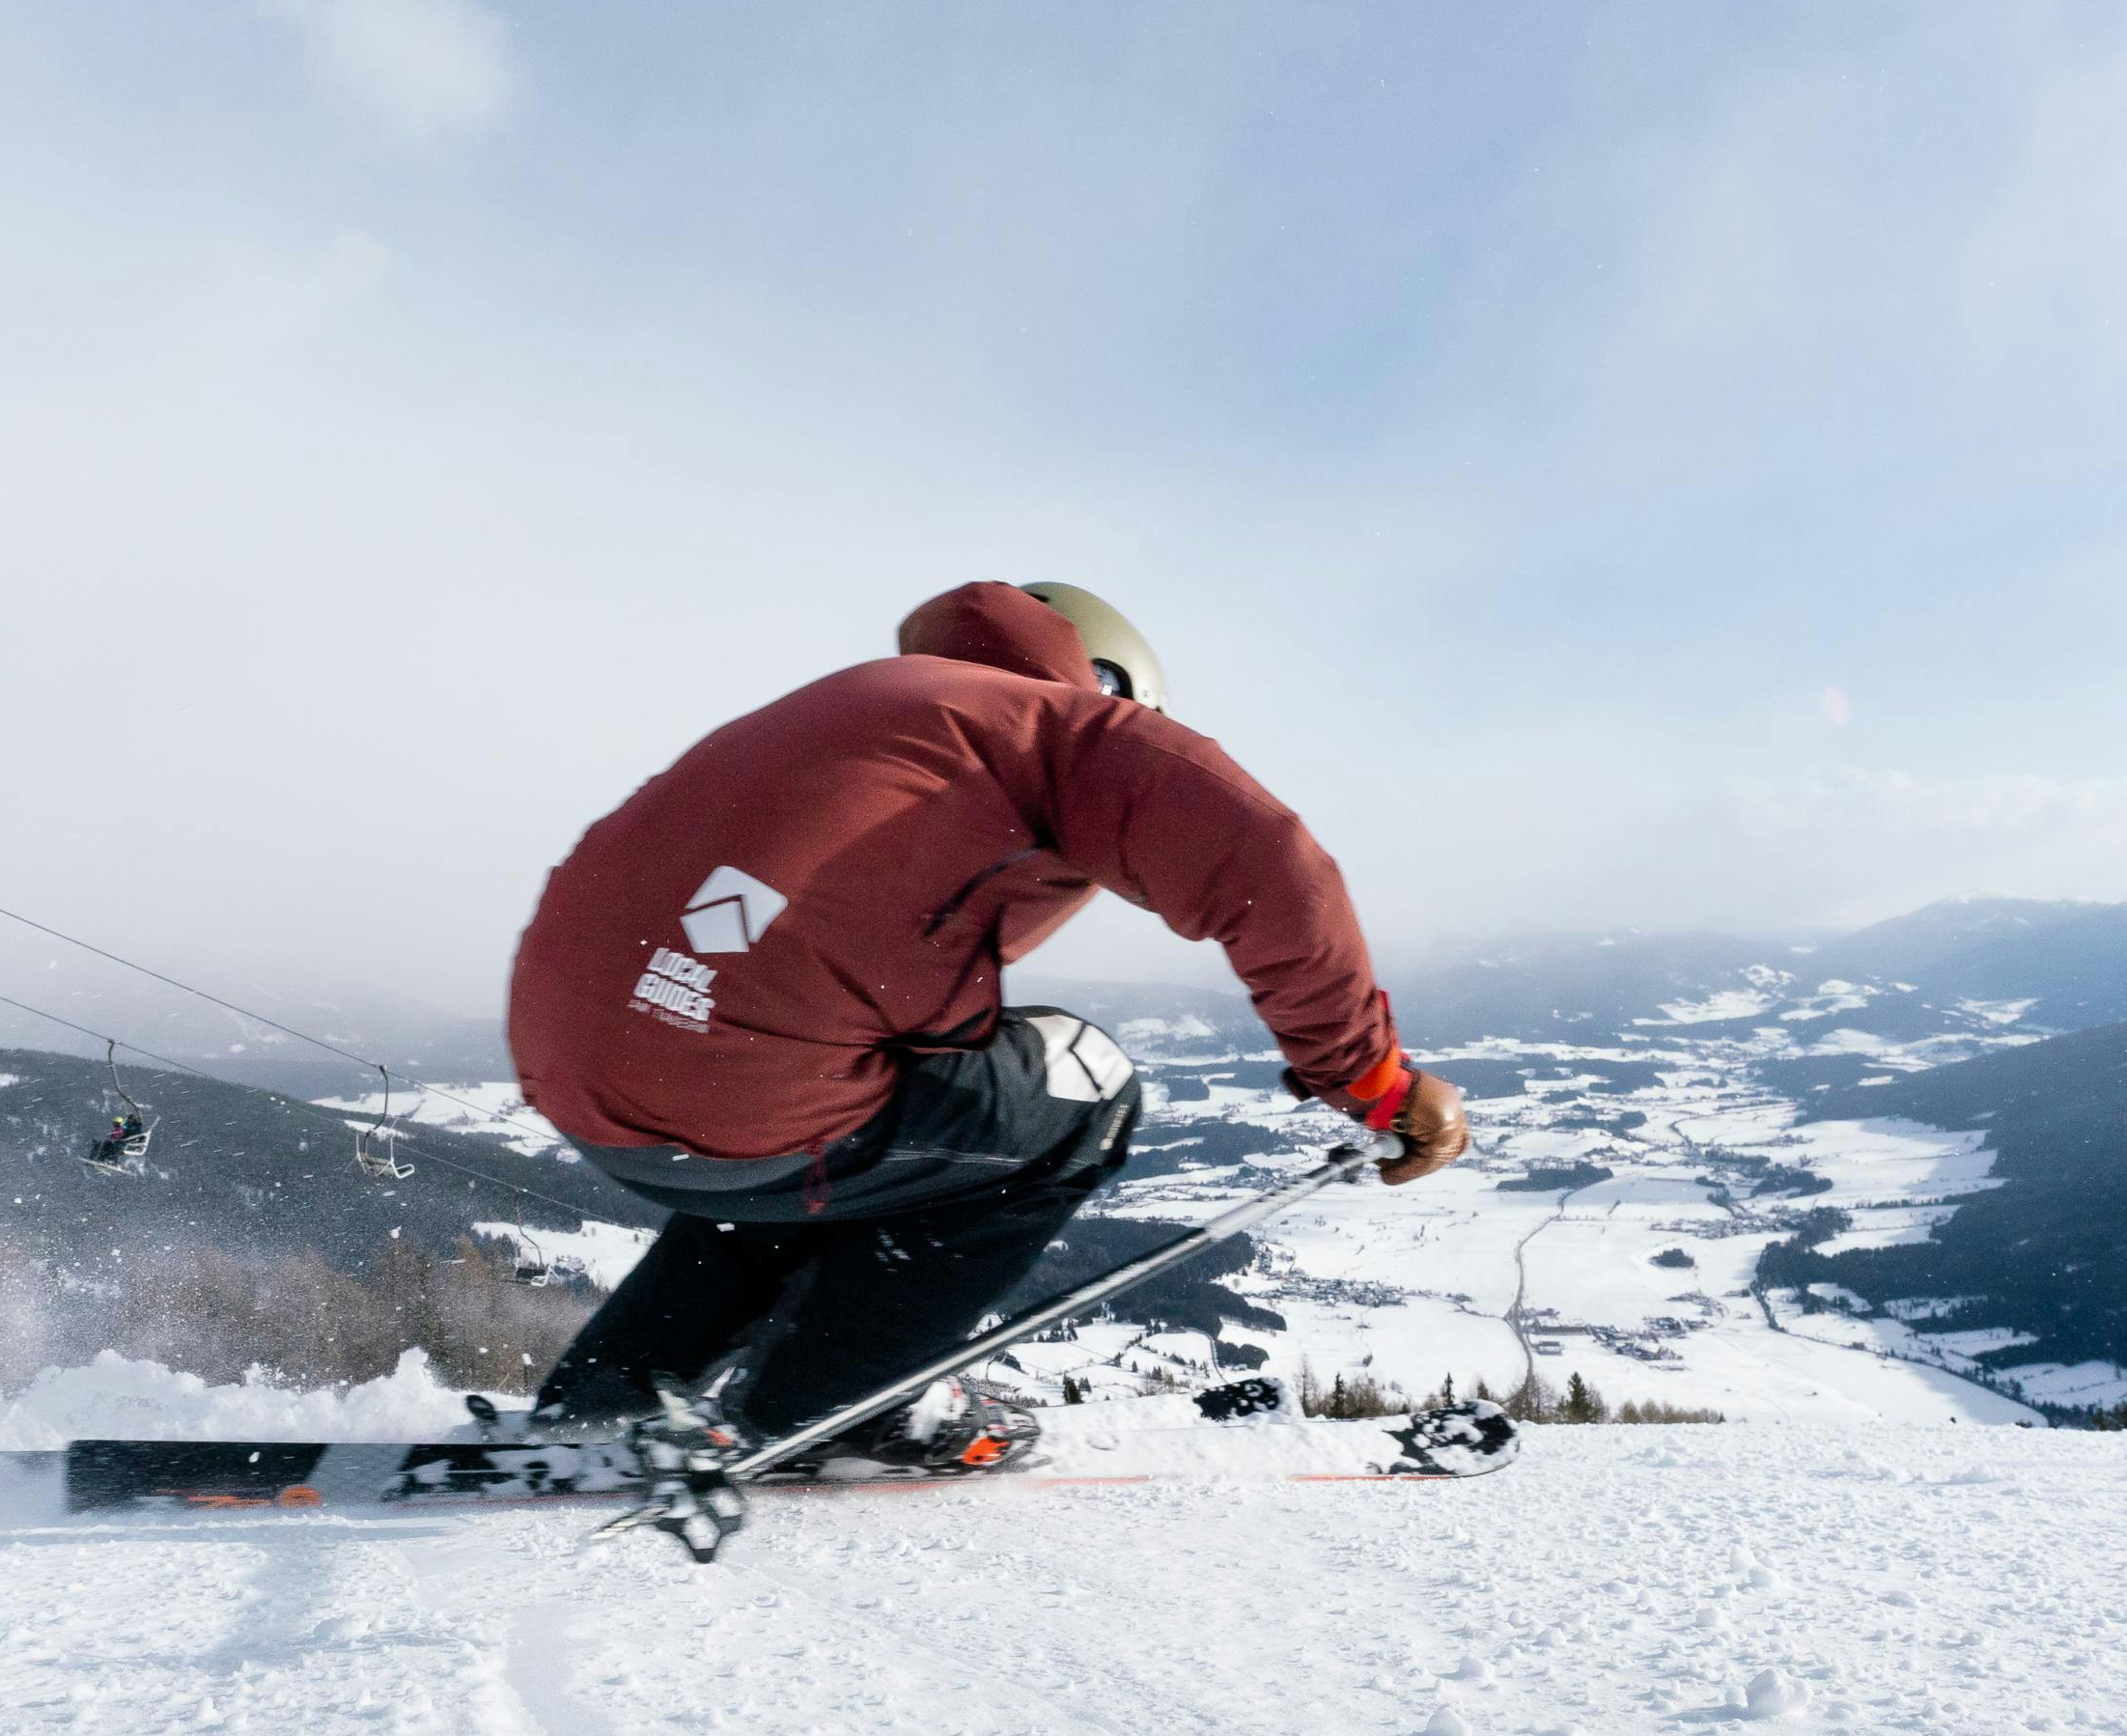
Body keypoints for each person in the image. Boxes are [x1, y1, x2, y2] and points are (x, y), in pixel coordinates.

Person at [503, 579, 1468, 1486]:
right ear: (1113, 686)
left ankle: (607, 1393)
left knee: (860, 1122)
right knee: (1082, 1085)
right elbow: (1268, 864)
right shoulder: (1063, 728)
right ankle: (838, 1409)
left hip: (578, 1066)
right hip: (739, 1084)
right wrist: (1370, 1077)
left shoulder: (880, 702)